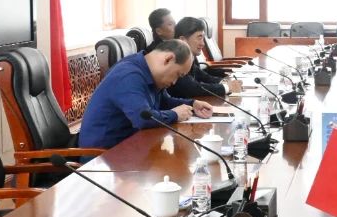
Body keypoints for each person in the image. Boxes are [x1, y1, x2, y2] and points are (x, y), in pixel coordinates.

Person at [79, 40, 213, 149]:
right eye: (178, 75)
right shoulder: (129, 75)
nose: (174, 82)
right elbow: (142, 119)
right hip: (102, 158)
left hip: (130, 148)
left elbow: (164, 102)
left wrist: (192, 104)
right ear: (168, 59)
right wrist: (175, 114)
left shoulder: (149, 72)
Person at [169, 16, 243, 98]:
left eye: (203, 38)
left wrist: (224, 82)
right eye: (199, 38)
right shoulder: (175, 59)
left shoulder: (189, 57)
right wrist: (227, 87)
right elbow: (192, 88)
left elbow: (204, 77)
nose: (203, 44)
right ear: (183, 40)